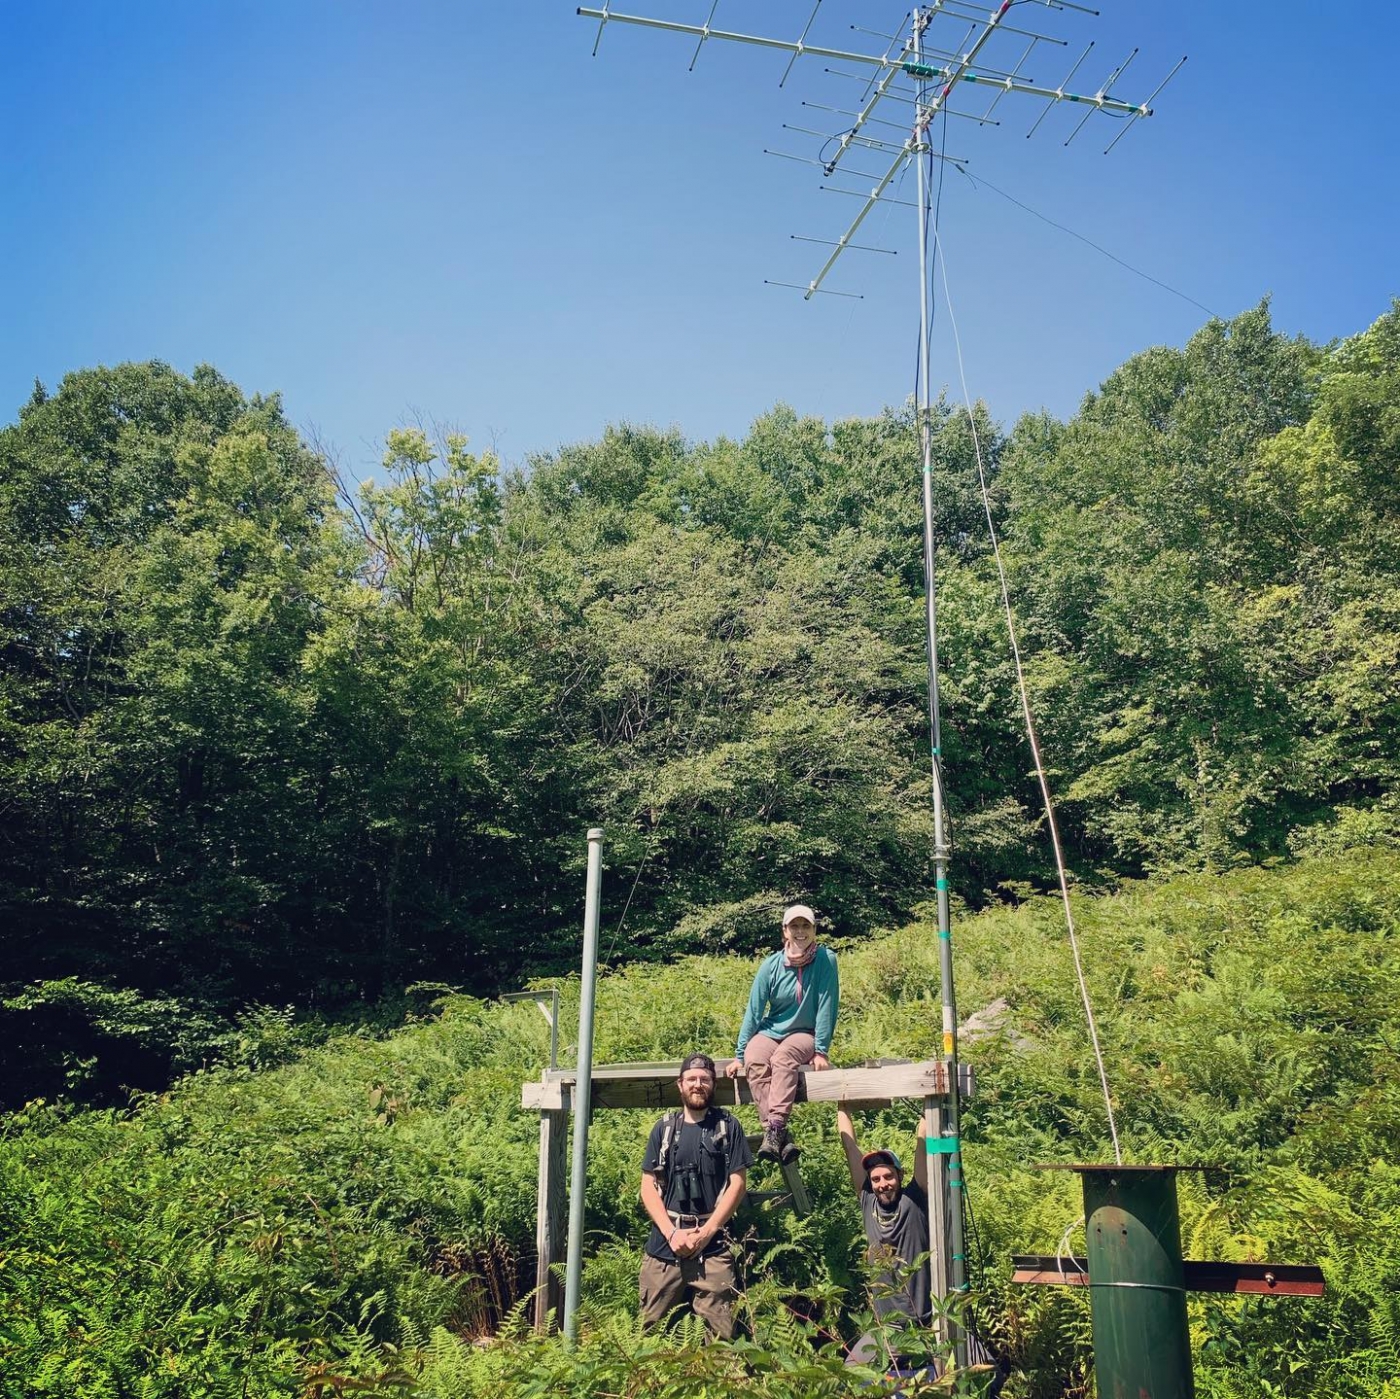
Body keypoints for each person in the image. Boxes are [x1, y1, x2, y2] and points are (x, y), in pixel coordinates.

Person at [638, 1052, 753, 1340]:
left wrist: (708, 1231)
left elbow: (737, 1183)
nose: (698, 1084)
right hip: (664, 1247)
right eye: (691, 1079)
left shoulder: (728, 1127)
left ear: (713, 1084)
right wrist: (671, 1233)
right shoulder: (664, 1128)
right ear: (680, 1084)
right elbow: (648, 1186)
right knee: (650, 1332)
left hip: (713, 1247)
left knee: (723, 1336)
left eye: (705, 1079)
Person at [725, 903, 839, 1163]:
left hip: (804, 1034)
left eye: (806, 926)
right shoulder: (771, 965)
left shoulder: (825, 959)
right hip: (772, 1029)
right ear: (785, 931)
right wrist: (740, 1055)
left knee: (783, 1058)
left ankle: (774, 1127)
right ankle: (779, 1136)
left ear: (814, 930)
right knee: (756, 1058)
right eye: (794, 926)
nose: (800, 931)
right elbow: (754, 1010)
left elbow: (826, 1006)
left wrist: (821, 1050)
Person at [835, 1105, 933, 1369]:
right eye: (876, 1178)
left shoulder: (914, 1199)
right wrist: (843, 1105)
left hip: (927, 1322)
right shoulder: (868, 1201)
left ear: (900, 1176)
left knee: (977, 1372)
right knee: (852, 1373)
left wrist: (926, 1109)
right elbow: (849, 1148)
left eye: (889, 1176)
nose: (882, 1183)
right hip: (887, 1326)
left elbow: (921, 1147)